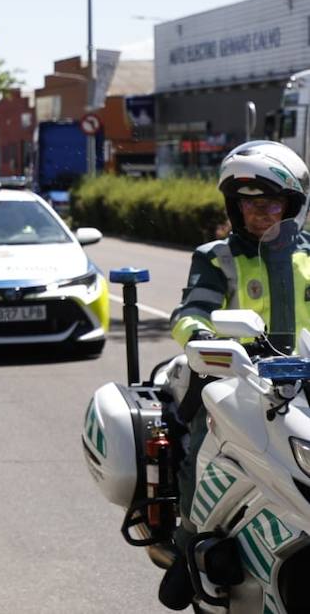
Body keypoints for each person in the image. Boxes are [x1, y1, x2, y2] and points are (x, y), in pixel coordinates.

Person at [160, 140, 310, 609]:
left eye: (270, 204)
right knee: (200, 450)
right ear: (235, 205)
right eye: (249, 204)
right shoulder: (217, 256)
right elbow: (191, 311)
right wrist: (205, 339)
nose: (260, 214)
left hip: (306, 376)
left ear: (292, 205)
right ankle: (188, 549)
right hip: (238, 377)